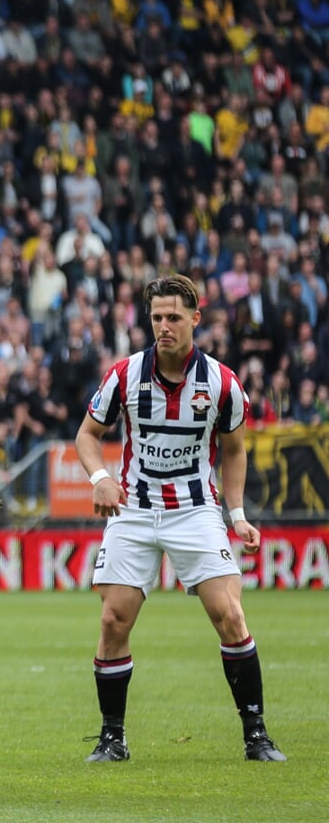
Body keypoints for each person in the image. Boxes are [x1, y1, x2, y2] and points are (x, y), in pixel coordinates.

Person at [75, 274, 286, 763]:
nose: (164, 327)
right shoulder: (124, 374)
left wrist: (236, 515)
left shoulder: (221, 382)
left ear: (195, 318)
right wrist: (99, 478)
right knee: (113, 620)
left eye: (173, 317)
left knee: (229, 615)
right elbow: (88, 434)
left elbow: (233, 452)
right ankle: (112, 738)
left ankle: (256, 734)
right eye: (156, 318)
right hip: (133, 509)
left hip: (195, 509)